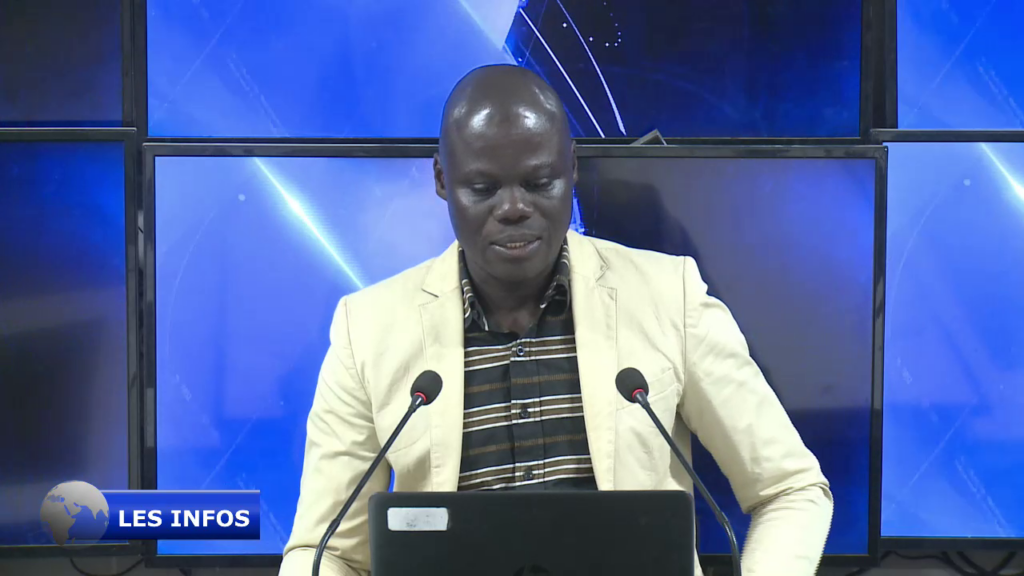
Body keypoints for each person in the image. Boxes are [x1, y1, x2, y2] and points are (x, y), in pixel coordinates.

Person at [280, 65, 832, 576]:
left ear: (572, 168)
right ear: (442, 180)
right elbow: (325, 552)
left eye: (540, 182)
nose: (513, 208)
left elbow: (790, 489)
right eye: (483, 188)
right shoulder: (367, 329)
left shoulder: (669, 296)